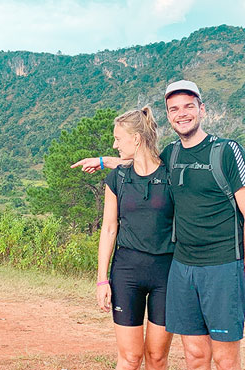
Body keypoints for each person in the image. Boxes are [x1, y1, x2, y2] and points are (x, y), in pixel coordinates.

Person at [73, 80, 245, 370]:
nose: (182, 113)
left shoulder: (226, 151)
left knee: (225, 360)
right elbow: (140, 165)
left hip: (221, 267)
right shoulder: (172, 155)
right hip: (182, 269)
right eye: (174, 108)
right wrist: (104, 161)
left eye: (189, 106)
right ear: (167, 114)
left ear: (202, 109)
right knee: (195, 357)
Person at [96, 107, 174, 370]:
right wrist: (101, 279)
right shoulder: (116, 178)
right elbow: (109, 229)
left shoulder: (170, 176)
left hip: (166, 273)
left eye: (119, 138)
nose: (115, 144)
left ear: (137, 139)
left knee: (157, 358)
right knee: (130, 358)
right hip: (126, 272)